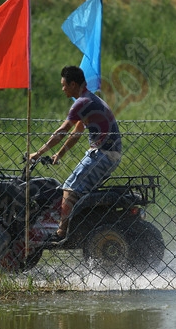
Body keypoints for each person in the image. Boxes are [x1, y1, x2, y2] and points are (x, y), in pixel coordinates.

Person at [29, 65, 122, 241]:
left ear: (73, 84)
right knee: (79, 190)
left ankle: (61, 234)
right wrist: (60, 154)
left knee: (70, 188)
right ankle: (78, 226)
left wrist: (39, 153)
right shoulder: (90, 100)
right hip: (111, 154)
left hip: (102, 153)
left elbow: (62, 131)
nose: (62, 88)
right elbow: (76, 132)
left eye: (64, 85)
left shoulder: (81, 103)